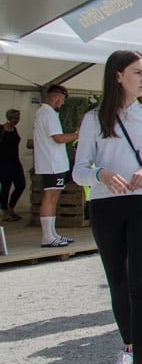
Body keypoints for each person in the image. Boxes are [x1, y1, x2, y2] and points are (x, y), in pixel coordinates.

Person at [71, 50, 142, 364]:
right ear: (117, 76)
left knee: (141, 282)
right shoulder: (93, 119)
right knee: (117, 278)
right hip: (104, 205)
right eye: (137, 72)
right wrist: (100, 173)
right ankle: (128, 346)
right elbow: (79, 169)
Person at [33, 85, 79, 247]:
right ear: (57, 96)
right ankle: (48, 236)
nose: (62, 103)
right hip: (52, 163)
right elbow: (58, 138)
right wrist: (77, 134)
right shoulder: (48, 113)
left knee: (53, 197)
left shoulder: (44, 112)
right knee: (51, 197)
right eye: (63, 99)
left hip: (52, 162)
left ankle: (51, 234)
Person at [0, 109, 26, 223]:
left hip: (15, 161)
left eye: (18, 118)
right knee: (5, 187)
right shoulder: (1, 129)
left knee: (21, 184)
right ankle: (4, 212)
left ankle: (11, 208)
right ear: (9, 118)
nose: (16, 121)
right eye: (15, 118)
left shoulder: (14, 129)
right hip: (3, 162)